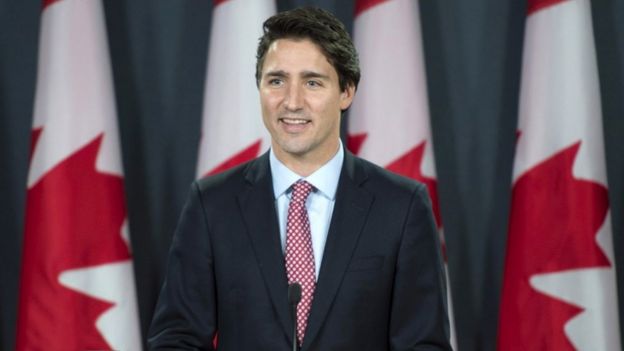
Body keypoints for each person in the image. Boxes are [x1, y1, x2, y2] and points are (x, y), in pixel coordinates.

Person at [148, 7, 451, 351]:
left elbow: (424, 344)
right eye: (276, 81)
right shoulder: (212, 204)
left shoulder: (402, 206)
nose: (292, 102)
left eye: (312, 82)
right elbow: (176, 339)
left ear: (346, 91)